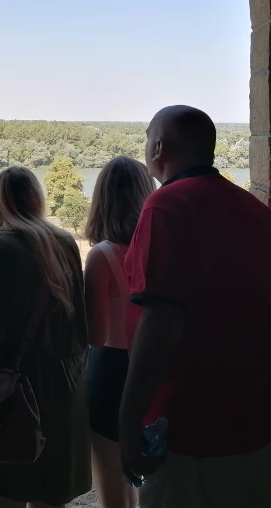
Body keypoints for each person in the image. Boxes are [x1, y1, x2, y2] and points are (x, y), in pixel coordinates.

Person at [119, 106, 271, 508]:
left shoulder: (166, 206)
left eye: (147, 138)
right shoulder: (254, 210)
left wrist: (128, 421)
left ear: (158, 147)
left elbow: (159, 324)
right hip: (259, 419)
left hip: (191, 431)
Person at [0, 166, 91, 508]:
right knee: (50, 494)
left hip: (7, 390)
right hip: (62, 387)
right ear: (37, 198)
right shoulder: (64, 244)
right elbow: (79, 323)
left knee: (4, 493)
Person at [81, 157, 154, 508]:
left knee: (113, 486)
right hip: (153, 364)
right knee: (146, 474)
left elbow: (95, 336)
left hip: (109, 372)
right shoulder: (155, 249)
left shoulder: (102, 256)